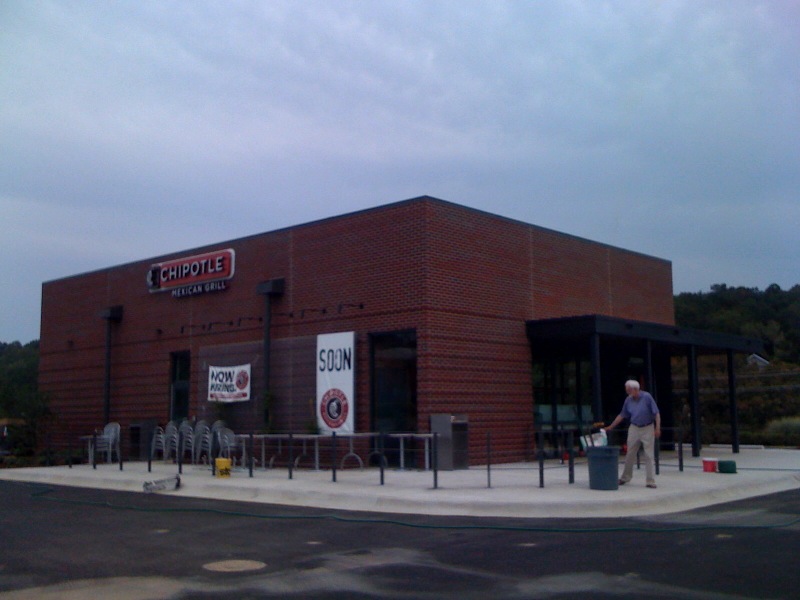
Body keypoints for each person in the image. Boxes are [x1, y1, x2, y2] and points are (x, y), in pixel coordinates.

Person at [604, 380, 661, 488]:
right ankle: (625, 477)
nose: (628, 393)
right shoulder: (628, 400)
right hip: (634, 427)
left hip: (647, 427)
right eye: (627, 391)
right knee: (630, 453)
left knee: (649, 455)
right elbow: (622, 414)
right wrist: (611, 426)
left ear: (636, 389)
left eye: (629, 391)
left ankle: (650, 481)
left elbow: (656, 413)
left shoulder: (647, 397)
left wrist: (657, 428)